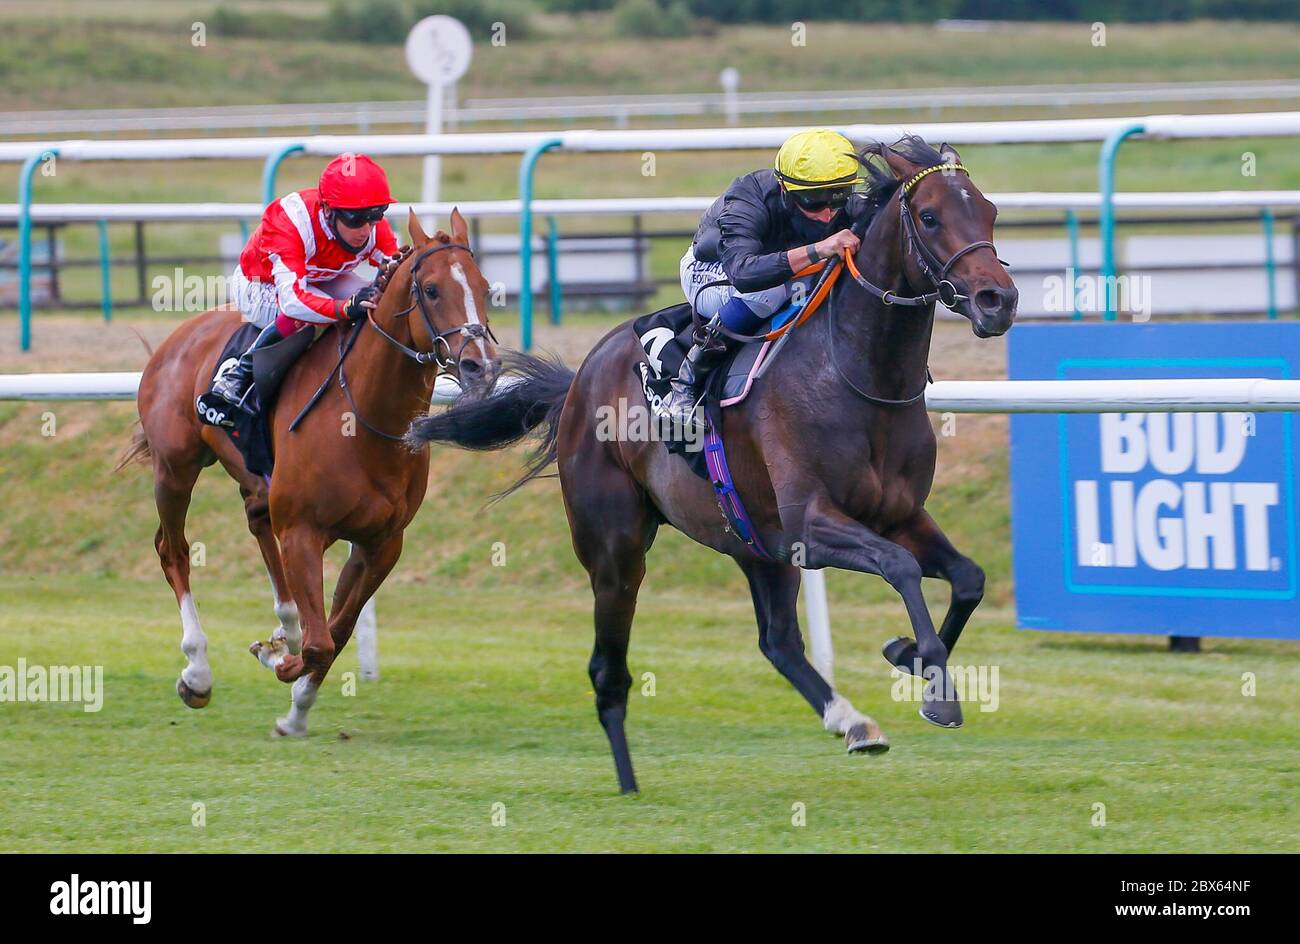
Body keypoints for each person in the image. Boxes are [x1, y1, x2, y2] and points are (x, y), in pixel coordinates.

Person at [657, 128, 869, 431]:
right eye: (812, 201)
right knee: (769, 291)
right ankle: (687, 381)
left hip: (774, 270)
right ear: (785, 188)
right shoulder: (748, 196)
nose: (827, 214)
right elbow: (744, 273)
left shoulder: (839, 204)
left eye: (838, 198)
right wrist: (819, 248)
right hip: (712, 271)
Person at [197, 152, 399, 427]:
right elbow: (293, 302)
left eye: (375, 215)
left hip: (321, 277)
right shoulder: (290, 222)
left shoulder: (368, 225)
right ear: (328, 210)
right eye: (355, 218)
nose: (365, 229)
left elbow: (394, 269)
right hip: (260, 287)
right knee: (306, 317)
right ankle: (237, 375)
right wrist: (345, 307)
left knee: (377, 300)